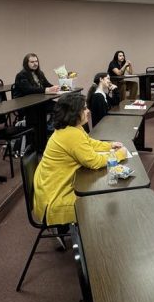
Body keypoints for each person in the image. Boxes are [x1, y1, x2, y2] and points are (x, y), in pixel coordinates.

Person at [32, 93, 127, 225]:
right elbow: (94, 162)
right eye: (84, 108)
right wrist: (120, 154)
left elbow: (89, 143)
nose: (88, 111)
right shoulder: (70, 134)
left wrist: (110, 145)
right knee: (100, 202)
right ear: (73, 113)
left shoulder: (73, 128)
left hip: (51, 189)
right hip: (55, 198)